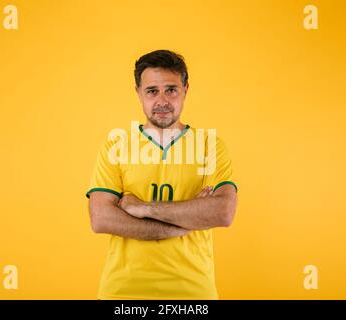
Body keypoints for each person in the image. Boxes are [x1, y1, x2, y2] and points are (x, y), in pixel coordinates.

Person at [86, 49, 238, 299]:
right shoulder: (116, 145)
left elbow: (223, 212)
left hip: (192, 292)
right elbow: (101, 218)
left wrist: (144, 208)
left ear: (186, 90)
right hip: (123, 293)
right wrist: (187, 221)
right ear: (138, 93)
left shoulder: (210, 145)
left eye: (171, 89)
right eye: (152, 91)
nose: (162, 101)